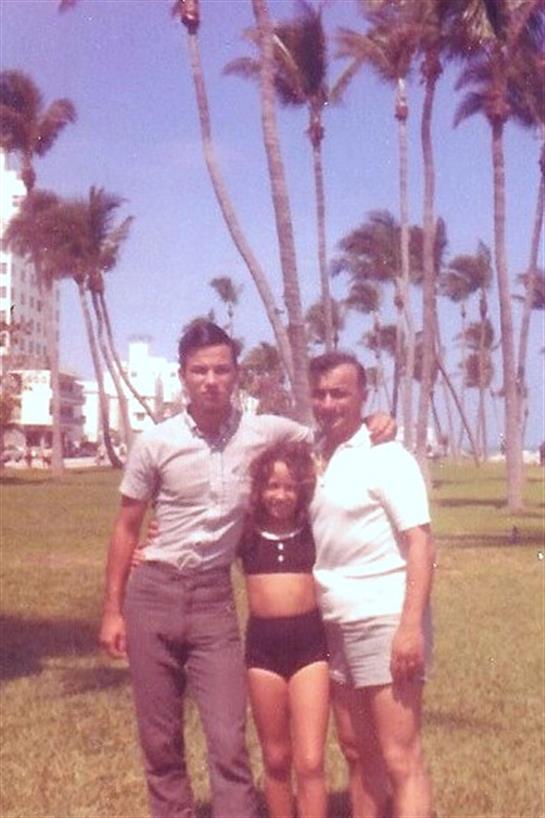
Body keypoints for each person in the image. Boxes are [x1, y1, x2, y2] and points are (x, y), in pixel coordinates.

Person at [99, 321, 395, 818]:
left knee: (227, 736)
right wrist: (112, 610)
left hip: (214, 600)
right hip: (153, 592)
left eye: (221, 369)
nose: (210, 380)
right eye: (199, 371)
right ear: (183, 376)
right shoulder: (156, 443)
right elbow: (127, 527)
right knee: (160, 738)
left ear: (236, 374)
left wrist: (376, 420)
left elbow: (329, 431)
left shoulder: (265, 432)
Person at [308, 351, 435, 818]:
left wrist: (409, 628)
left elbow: (420, 543)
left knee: (401, 757)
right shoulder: (319, 455)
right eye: (319, 394)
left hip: (382, 620)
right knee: (358, 753)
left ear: (362, 395)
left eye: (339, 393)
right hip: (336, 622)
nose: (328, 403)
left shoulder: (387, 456)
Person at [239, 441, 329, 818]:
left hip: (310, 651)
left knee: (309, 761)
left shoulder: (315, 530)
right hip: (263, 654)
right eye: (272, 486)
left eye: (290, 487)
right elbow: (202, 545)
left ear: (302, 490)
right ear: (259, 490)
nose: (280, 495)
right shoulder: (245, 533)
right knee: (276, 759)